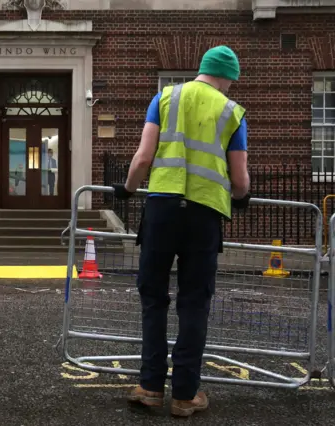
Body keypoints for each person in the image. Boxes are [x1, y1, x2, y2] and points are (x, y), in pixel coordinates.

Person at [112, 45, 251, 417]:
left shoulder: (166, 97)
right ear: (228, 79)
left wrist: (127, 189)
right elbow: (239, 180)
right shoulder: (231, 112)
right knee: (194, 303)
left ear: (201, 70)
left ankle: (150, 386)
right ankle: (185, 395)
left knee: (153, 297)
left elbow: (143, 158)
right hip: (204, 216)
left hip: (161, 210)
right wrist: (241, 197)